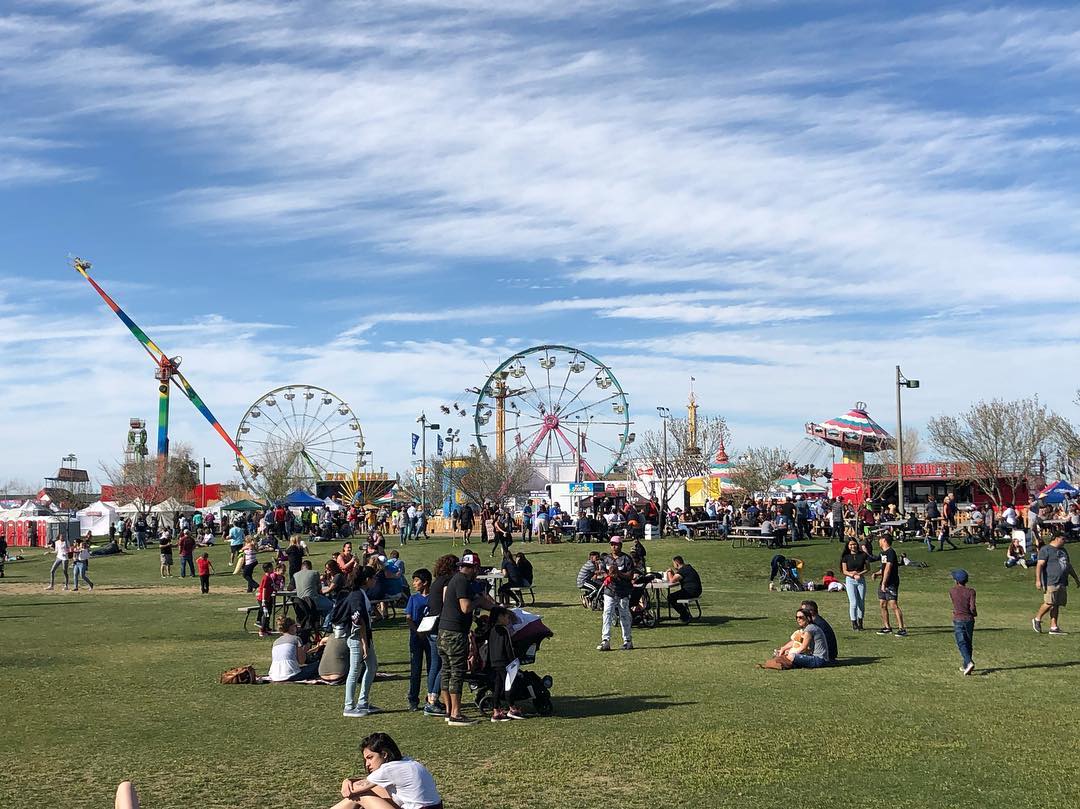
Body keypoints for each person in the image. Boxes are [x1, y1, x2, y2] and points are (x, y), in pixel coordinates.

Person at [438, 551, 493, 726]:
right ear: (474, 568)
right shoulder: (462, 581)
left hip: (444, 632)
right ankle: (456, 713)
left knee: (446, 671)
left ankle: (448, 711)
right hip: (455, 634)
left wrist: (494, 608)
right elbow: (466, 607)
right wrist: (478, 601)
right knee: (457, 673)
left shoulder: (457, 580)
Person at [333, 732, 443, 809]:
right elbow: (370, 784)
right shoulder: (406, 762)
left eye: (370, 758)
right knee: (377, 789)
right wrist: (348, 780)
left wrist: (346, 782)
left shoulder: (389, 769)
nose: (367, 764)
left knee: (361, 796)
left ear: (384, 754)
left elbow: (350, 791)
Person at [335, 566, 380, 716]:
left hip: (365, 637)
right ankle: (348, 706)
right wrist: (364, 644)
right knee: (355, 670)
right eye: (374, 578)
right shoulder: (356, 595)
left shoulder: (361, 593)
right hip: (356, 639)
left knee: (372, 666)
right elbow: (358, 620)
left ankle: (363, 702)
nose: (375, 580)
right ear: (367, 579)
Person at [423, 554, 458, 717]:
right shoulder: (446, 581)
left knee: (435, 665)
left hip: (431, 626)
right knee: (444, 666)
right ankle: (434, 700)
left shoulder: (437, 581)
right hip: (440, 626)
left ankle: (431, 697)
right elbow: (447, 601)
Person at [1033, 533, 1079, 635]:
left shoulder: (1063, 551)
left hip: (1062, 581)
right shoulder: (1046, 549)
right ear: (1057, 538)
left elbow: (1068, 565)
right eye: (1063, 539)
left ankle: (1054, 627)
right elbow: (1040, 565)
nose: (1065, 541)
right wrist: (1038, 580)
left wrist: (1076, 578)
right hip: (1051, 580)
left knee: (1056, 604)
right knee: (1049, 602)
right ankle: (1037, 618)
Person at [487, 605, 526, 721]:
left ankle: (496, 710)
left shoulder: (492, 630)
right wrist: (513, 661)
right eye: (507, 617)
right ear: (500, 617)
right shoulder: (504, 630)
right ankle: (512, 707)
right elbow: (508, 647)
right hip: (504, 662)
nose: (508, 620)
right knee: (509, 685)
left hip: (494, 662)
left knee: (498, 686)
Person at [597, 537, 634, 652]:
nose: (614, 546)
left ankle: (627, 641)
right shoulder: (606, 559)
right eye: (612, 544)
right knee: (607, 614)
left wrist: (618, 573)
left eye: (616, 544)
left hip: (623, 591)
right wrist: (607, 575)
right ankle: (605, 641)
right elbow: (601, 572)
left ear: (621, 545)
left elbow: (630, 576)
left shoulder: (626, 559)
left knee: (624, 615)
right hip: (609, 591)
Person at [405, 568, 432, 712]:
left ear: (425, 582)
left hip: (431, 638)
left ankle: (432, 697)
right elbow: (408, 618)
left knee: (432, 668)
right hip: (416, 638)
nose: (414, 584)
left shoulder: (433, 598)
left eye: (417, 581)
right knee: (415, 670)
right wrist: (417, 631)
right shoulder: (413, 598)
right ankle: (413, 699)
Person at [872, 535, 907, 636]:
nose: (878, 541)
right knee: (882, 604)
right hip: (883, 581)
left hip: (891, 582)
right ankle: (887, 627)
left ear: (884, 540)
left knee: (893, 605)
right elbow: (883, 569)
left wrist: (884, 583)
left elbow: (888, 567)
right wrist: (877, 573)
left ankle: (902, 628)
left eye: (880, 540)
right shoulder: (883, 553)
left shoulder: (891, 552)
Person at [268, 616, 323, 682]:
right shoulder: (296, 639)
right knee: (319, 664)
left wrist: (314, 649)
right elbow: (301, 661)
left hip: (274, 675)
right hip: (291, 675)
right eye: (295, 626)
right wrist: (306, 648)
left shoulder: (276, 642)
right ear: (291, 627)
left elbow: (292, 656)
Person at [949, 569, 977, 675]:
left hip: (958, 619)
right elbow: (972, 607)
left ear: (956, 581)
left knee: (961, 642)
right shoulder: (971, 591)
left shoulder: (952, 591)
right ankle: (966, 665)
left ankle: (969, 662)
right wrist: (974, 613)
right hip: (969, 619)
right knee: (968, 642)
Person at [840, 538, 869, 631]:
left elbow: (867, 568)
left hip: (860, 580)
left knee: (861, 602)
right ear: (848, 546)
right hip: (850, 580)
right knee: (853, 603)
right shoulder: (845, 557)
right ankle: (854, 623)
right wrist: (851, 574)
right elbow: (844, 570)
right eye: (851, 544)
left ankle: (860, 622)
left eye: (854, 544)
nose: (853, 546)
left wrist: (859, 574)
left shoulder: (863, 555)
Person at [666, 556, 702, 623]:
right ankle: (685, 614)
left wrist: (669, 572)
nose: (673, 565)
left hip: (690, 591)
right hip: (696, 590)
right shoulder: (688, 568)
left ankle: (685, 615)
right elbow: (677, 577)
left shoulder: (683, 570)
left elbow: (672, 581)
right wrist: (673, 574)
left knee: (671, 597)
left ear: (676, 563)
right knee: (674, 596)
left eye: (673, 563)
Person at [256, 561, 277, 637]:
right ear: (268, 569)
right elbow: (264, 589)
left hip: (268, 598)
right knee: (265, 614)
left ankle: (266, 628)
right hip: (263, 598)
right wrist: (264, 601)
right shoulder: (266, 578)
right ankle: (262, 630)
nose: (273, 568)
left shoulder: (270, 577)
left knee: (269, 613)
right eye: (271, 567)